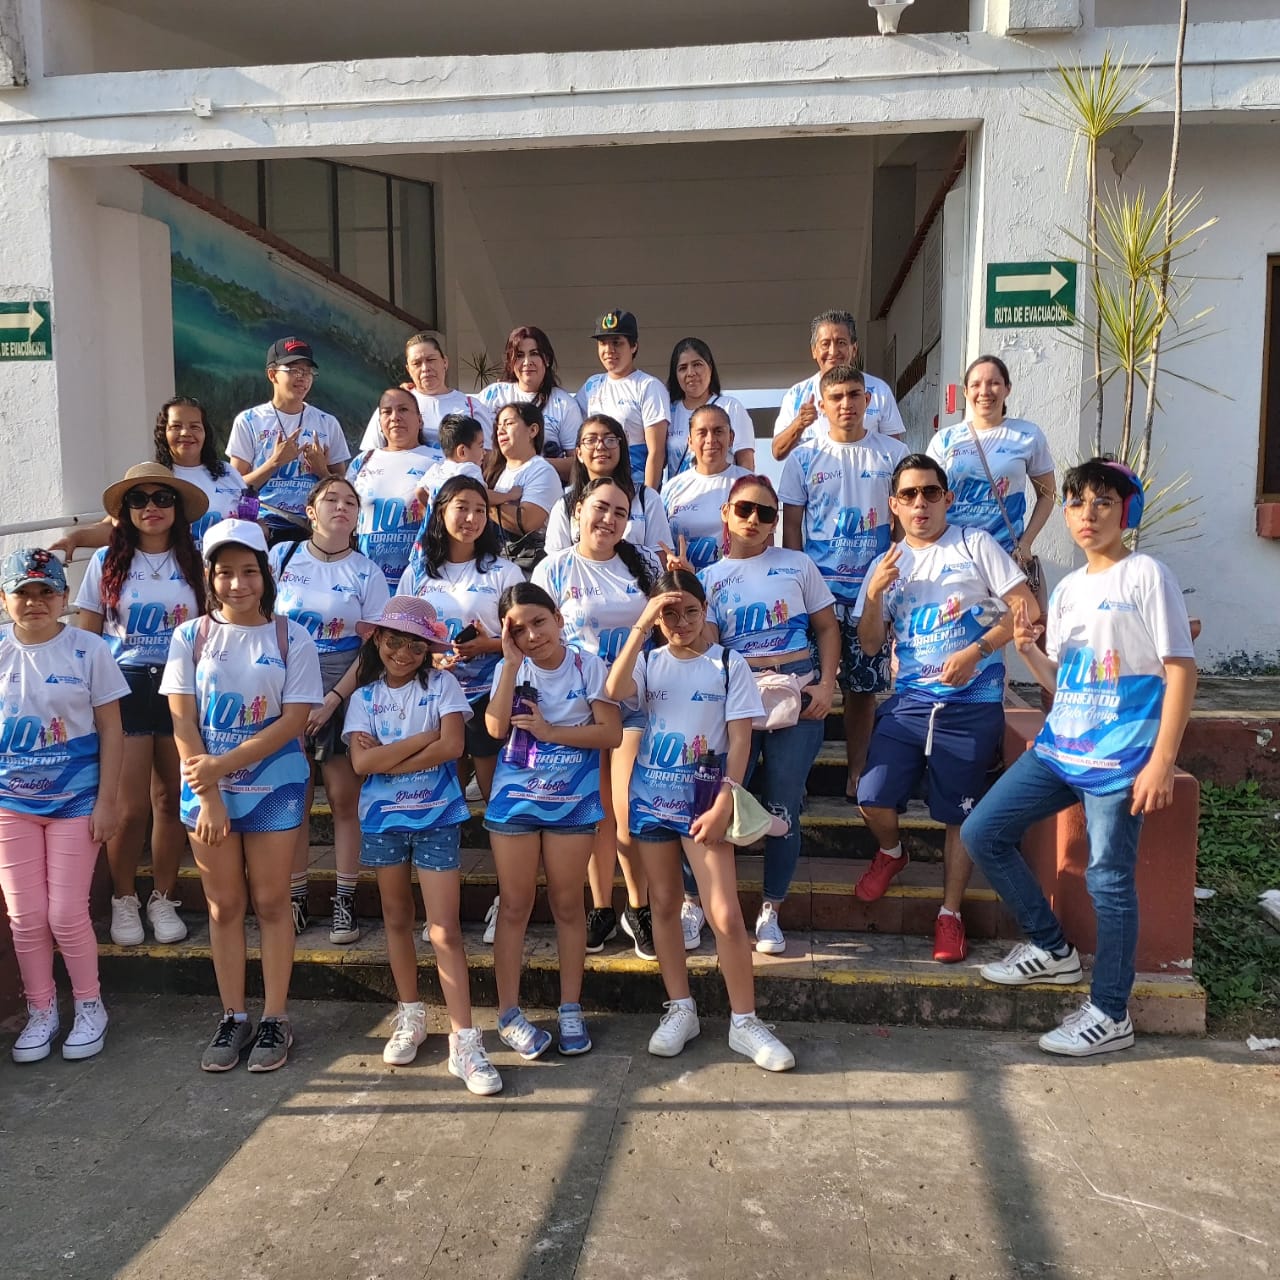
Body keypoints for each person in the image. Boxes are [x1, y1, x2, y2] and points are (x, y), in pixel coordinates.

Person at [962, 459, 1196, 1057]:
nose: (1087, 515)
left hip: (1122, 759)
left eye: (1102, 502)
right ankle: (1052, 949)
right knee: (984, 831)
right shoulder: (1067, 589)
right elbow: (1065, 681)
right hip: (1062, 747)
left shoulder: (1146, 574)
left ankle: (1111, 1011)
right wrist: (1027, 653)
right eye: (1076, 503)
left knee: (1109, 881)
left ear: (1125, 510)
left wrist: (1162, 761)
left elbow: (1180, 669)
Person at [606, 571, 796, 1071]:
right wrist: (643, 625)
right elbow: (614, 687)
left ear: (706, 609)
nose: (681, 622)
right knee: (664, 906)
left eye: (691, 610)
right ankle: (681, 1009)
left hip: (703, 800)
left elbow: (739, 742)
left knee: (726, 915)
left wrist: (724, 803)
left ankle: (745, 1020)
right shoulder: (648, 662)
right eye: (669, 612)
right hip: (649, 798)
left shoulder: (728, 664)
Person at [852, 454, 1037, 964]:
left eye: (930, 493)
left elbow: (1027, 608)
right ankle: (892, 852)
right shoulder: (886, 562)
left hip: (971, 704)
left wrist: (976, 651)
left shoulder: (975, 544)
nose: (920, 503)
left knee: (959, 814)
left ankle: (949, 916)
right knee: (871, 795)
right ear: (893, 505)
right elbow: (869, 647)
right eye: (908, 495)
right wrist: (872, 597)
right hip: (910, 701)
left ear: (947, 499)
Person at [162, 519, 323, 1073]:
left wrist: (222, 766)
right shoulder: (190, 636)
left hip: (274, 788)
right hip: (207, 793)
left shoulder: (290, 636)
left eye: (248, 571)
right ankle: (233, 1015)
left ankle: (275, 1016)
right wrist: (207, 791)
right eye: (225, 572)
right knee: (224, 906)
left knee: (274, 903)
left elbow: (293, 721)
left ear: (265, 575)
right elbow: (182, 719)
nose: (237, 583)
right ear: (210, 576)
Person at [344, 597, 502, 1092]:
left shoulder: (445, 685)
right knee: (395, 917)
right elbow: (360, 766)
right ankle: (410, 1013)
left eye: (416, 644)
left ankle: (464, 1038)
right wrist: (419, 742)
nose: (403, 652)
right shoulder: (362, 699)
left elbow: (453, 747)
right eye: (394, 641)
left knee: (445, 929)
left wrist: (388, 756)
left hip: (437, 818)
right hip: (384, 821)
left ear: (428, 647)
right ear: (377, 640)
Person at [699, 475, 840, 955]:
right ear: (726, 512)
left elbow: (826, 626)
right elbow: (711, 647)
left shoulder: (798, 564)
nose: (755, 520)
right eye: (744, 510)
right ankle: (698, 903)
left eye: (766, 513)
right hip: (738, 694)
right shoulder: (711, 577)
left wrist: (826, 682)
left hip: (797, 689)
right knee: (720, 798)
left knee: (783, 803)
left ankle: (771, 911)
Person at [73, 462, 209, 950]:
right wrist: (83, 692)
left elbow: (211, 629)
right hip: (122, 685)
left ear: (177, 508)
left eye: (162, 498)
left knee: (171, 800)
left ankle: (164, 897)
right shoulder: (106, 562)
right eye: (138, 499)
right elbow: (87, 635)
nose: (151, 507)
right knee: (128, 808)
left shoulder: (197, 562)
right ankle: (124, 899)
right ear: (125, 511)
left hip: (179, 686)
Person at [484, 582, 622, 1059]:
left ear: (559, 619)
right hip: (516, 801)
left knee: (568, 905)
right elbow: (496, 728)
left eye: (539, 622)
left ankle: (570, 1007)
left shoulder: (587, 665)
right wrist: (508, 662)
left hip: (572, 801)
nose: (532, 635)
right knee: (515, 905)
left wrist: (550, 731)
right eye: (518, 629)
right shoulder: (513, 667)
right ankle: (508, 1013)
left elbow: (611, 733)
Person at [0, 549, 126, 1064]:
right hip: (11, 804)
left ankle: (90, 1005)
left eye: (46, 592)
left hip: (77, 801)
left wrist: (108, 802)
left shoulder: (89, 649)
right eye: (23, 593)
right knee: (25, 916)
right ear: (5, 599)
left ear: (64, 598)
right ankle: (41, 1010)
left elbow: (112, 729)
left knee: (65, 911)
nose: (34, 602)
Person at [533, 478, 661, 960]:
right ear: (578, 510)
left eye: (620, 512)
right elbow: (535, 633)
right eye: (600, 508)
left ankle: (638, 905)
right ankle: (602, 907)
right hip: (576, 706)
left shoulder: (643, 563)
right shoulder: (554, 568)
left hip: (634, 701)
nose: (608, 519)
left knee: (625, 814)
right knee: (595, 813)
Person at [400, 476, 525, 944]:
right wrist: (430, 653)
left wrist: (483, 645)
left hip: (490, 696)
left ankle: (504, 900)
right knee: (436, 805)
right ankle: (438, 911)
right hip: (434, 701)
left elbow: (526, 636)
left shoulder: (504, 572)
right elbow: (405, 633)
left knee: (498, 805)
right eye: (460, 508)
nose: (470, 518)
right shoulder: (418, 572)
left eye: (478, 509)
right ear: (440, 512)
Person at [269, 476, 391, 944]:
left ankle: (344, 899)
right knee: (295, 799)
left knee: (343, 800)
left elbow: (373, 649)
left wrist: (334, 699)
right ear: (311, 509)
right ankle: (296, 897)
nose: (342, 507)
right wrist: (295, 703)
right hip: (287, 687)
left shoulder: (367, 571)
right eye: (331, 500)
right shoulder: (282, 558)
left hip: (346, 687)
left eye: (351, 502)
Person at [779, 365, 907, 800]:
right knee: (805, 687)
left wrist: (892, 583)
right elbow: (792, 525)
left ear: (868, 400)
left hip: (871, 593)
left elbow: (902, 526)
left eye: (855, 395)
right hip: (818, 594)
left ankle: (857, 774)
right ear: (822, 404)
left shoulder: (892, 455)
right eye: (837, 397)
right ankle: (795, 781)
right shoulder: (803, 456)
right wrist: (797, 584)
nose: (846, 404)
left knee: (862, 690)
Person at [51, 396, 249, 560]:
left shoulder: (228, 473)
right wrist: (74, 539)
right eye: (176, 426)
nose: (186, 433)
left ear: (205, 432)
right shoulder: (151, 476)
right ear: (163, 433)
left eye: (195, 426)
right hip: (176, 580)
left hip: (225, 579)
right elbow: (115, 527)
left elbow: (251, 520)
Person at [926, 355, 1056, 562]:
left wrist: (1026, 543)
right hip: (952, 556)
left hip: (1005, 556)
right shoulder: (945, 439)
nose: (984, 391)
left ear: (1007, 389)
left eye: (994, 383)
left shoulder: (1028, 435)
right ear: (966, 391)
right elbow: (927, 496)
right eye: (976, 384)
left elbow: (1048, 494)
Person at [226, 338, 350, 545]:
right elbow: (235, 486)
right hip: (264, 525)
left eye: (307, 372)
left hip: (314, 527)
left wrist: (322, 472)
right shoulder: (249, 421)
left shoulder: (327, 422)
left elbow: (344, 489)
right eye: (293, 370)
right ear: (272, 374)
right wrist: (275, 462)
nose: (302, 377)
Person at [772, 309, 905, 462]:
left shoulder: (879, 391)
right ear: (814, 351)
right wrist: (799, 423)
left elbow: (896, 453)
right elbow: (778, 452)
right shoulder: (796, 395)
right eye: (825, 344)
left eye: (841, 343)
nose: (833, 351)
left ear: (854, 349)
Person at [544, 414, 673, 556]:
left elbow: (661, 556)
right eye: (591, 440)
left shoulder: (646, 498)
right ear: (579, 453)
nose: (600, 446)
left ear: (621, 449)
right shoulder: (565, 504)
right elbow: (556, 562)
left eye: (610, 440)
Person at [348, 388, 433, 592]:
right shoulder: (362, 461)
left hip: (422, 581)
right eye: (387, 412)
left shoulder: (439, 460)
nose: (395, 417)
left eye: (403, 409)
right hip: (367, 583)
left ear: (420, 420)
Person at [576, 309, 670, 491]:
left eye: (617, 343)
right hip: (595, 489)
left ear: (634, 346)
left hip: (633, 487)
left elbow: (657, 452)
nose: (609, 350)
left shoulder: (648, 385)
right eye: (603, 343)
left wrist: (646, 499)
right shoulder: (591, 385)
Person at [359, 330, 493, 452]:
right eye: (416, 363)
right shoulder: (393, 406)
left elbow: (488, 458)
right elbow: (370, 454)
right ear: (408, 369)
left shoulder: (472, 406)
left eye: (431, 360)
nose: (425, 368)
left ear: (445, 362)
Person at [479, 326, 584, 478]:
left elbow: (578, 463)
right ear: (510, 362)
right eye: (520, 355)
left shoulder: (565, 404)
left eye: (534, 354)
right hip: (495, 487)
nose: (527, 362)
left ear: (547, 360)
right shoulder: (492, 395)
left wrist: (531, 464)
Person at [661, 405, 749, 571]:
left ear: (731, 438)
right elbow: (661, 547)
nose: (710, 440)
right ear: (690, 441)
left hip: (736, 584)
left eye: (718, 431)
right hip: (686, 588)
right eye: (702, 433)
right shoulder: (671, 489)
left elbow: (765, 545)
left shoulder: (749, 483)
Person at [485, 402, 562, 574]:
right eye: (498, 425)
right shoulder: (497, 473)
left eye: (509, 423)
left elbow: (528, 522)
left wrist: (479, 501)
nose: (500, 430)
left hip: (530, 571)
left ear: (533, 430)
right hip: (499, 566)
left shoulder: (541, 470)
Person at [665, 337, 756, 477]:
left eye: (697, 365)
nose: (691, 373)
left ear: (710, 367)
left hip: (725, 495)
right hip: (680, 496)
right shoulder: (668, 411)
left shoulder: (730, 407)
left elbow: (746, 463)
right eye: (683, 368)